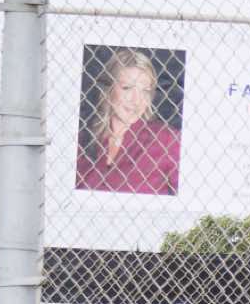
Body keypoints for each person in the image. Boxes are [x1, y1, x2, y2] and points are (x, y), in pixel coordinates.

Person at [75, 49, 181, 196]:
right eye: (127, 88)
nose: (136, 100)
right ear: (108, 89)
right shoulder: (83, 139)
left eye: (145, 91)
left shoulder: (168, 140)